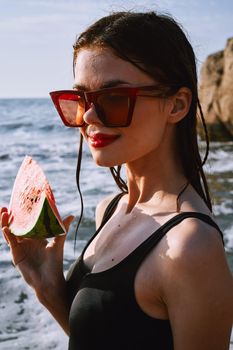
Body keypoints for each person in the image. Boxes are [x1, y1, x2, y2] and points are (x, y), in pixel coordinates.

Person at [1, 10, 233, 350]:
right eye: (81, 99)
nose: (90, 117)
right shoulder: (110, 208)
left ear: (177, 105)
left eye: (114, 98)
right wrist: (49, 289)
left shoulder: (192, 247)